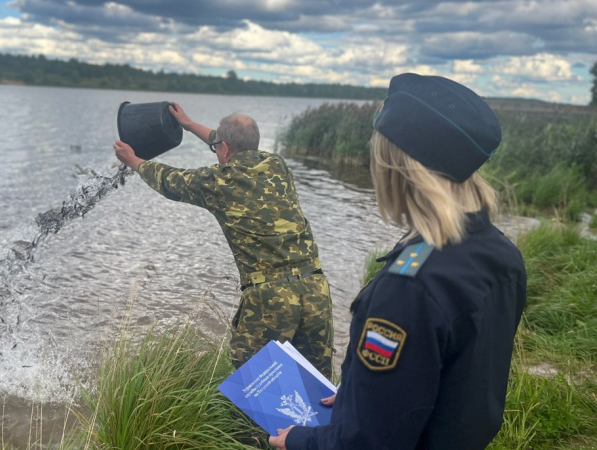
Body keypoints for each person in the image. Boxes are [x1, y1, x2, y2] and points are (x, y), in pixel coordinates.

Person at [269, 73, 527, 450]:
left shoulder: (408, 289)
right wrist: (365, 390)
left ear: (399, 169)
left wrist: (298, 441)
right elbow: (453, 374)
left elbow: (367, 444)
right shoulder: (499, 253)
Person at [113, 103, 334, 377]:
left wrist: (133, 160)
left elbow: (169, 181)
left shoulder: (218, 182)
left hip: (272, 299)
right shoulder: (278, 165)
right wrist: (189, 123)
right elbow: (227, 139)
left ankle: (258, 422)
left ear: (225, 148)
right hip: (316, 290)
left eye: (216, 147)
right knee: (317, 383)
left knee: (257, 381)